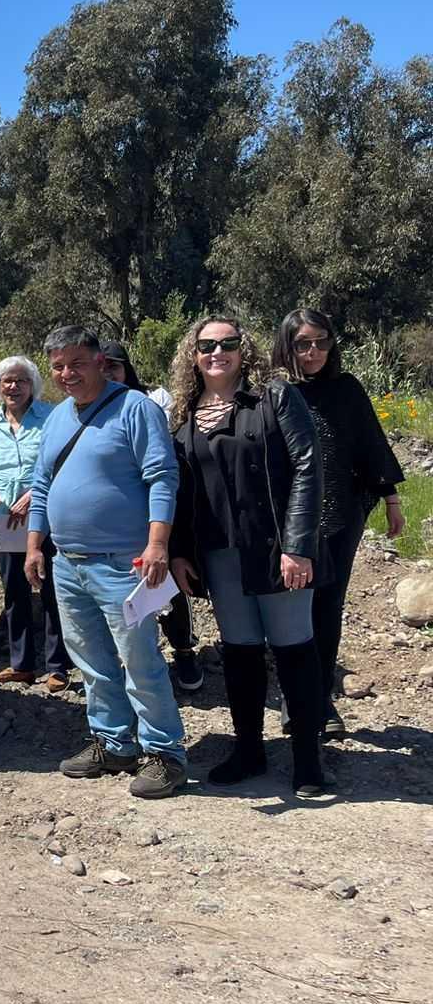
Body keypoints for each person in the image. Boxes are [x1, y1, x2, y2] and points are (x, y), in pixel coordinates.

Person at [166, 317, 328, 796]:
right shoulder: (185, 411)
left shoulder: (275, 396)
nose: (218, 352)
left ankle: (307, 759)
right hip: (219, 554)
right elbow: (178, 490)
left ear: (245, 350)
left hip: (277, 549)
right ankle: (249, 750)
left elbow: (307, 465)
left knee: (294, 650)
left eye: (228, 344)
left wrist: (298, 546)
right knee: (240, 653)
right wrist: (178, 552)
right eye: (206, 345)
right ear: (192, 355)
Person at [25, 326, 187, 799]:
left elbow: (162, 477)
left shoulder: (136, 408)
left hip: (124, 563)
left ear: (99, 361)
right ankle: (114, 742)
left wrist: (158, 544)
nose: (66, 374)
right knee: (91, 662)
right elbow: (41, 483)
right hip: (68, 563)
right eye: (57, 366)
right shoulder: (57, 417)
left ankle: (165, 754)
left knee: (140, 661)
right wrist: (36, 546)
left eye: (76, 363)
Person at [272, 308, 405, 738]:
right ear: (287, 345)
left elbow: (370, 442)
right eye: (303, 344)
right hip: (289, 520)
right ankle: (294, 700)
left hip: (341, 517)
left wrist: (391, 499)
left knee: (327, 609)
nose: (314, 352)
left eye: (322, 342)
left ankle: (321, 701)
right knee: (292, 610)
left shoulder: (346, 389)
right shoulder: (273, 391)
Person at [100, 340, 201, 691]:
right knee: (126, 586)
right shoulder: (90, 409)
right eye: (102, 366)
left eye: (114, 366)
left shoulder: (154, 401)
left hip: (157, 510)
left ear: (127, 368)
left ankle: (184, 650)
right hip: (118, 517)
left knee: (167, 583)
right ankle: (138, 659)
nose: (108, 373)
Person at [0, 355, 72, 693]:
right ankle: (22, 665)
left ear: (33, 385)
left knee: (50, 587)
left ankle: (58, 665)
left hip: (43, 511)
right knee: (13, 590)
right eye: (7, 381)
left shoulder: (52, 417)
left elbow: (60, 462)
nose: (13, 386)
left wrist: (34, 494)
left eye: (21, 380)